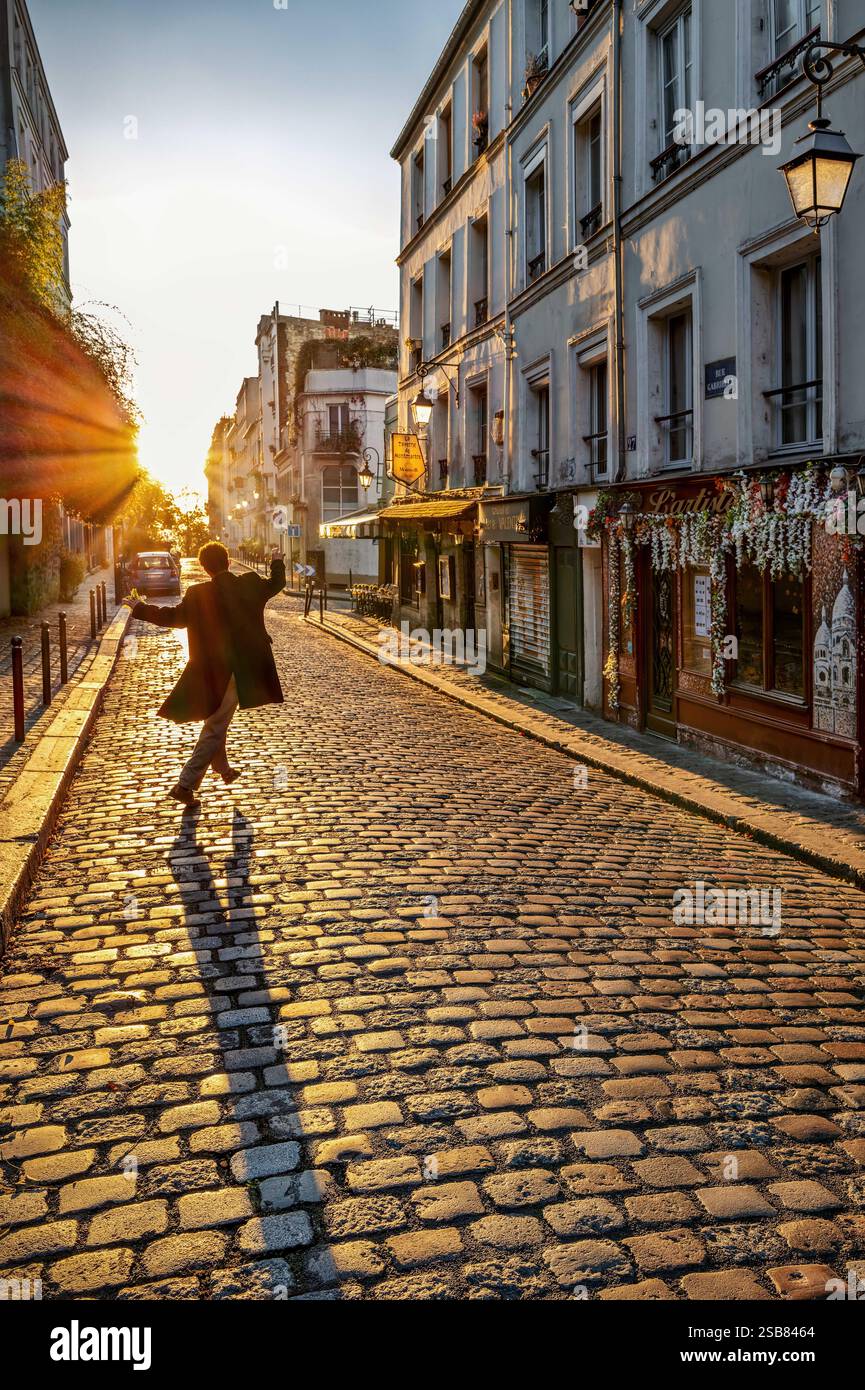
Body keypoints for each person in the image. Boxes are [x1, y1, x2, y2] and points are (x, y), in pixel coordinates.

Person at [124, 541, 286, 807]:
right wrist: (277, 559)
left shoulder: (198, 594)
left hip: (211, 671)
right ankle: (185, 785)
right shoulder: (250, 584)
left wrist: (139, 608)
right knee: (216, 724)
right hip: (240, 670)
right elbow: (276, 583)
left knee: (215, 718)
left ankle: (223, 769)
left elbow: (172, 617)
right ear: (229, 561)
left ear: (204, 567)